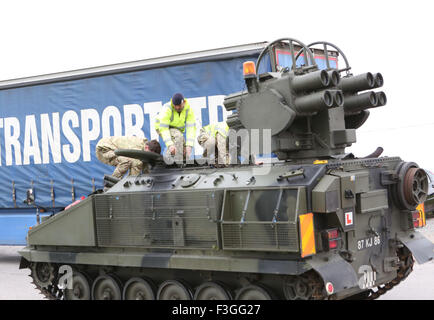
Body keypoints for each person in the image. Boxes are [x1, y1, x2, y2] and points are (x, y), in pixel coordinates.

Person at [155, 93, 196, 161]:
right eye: (175, 106)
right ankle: (167, 162)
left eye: (179, 105)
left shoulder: (188, 110)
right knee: (177, 138)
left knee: (184, 150)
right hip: (161, 127)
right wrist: (170, 144)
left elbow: (191, 128)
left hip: (176, 130)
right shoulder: (167, 108)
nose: (177, 108)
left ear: (184, 102)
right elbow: (164, 129)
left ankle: (184, 165)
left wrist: (189, 145)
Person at [95, 136, 161, 179]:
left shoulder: (144, 147)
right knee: (126, 161)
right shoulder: (138, 149)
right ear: (146, 147)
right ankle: (110, 185)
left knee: (134, 162)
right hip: (104, 149)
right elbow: (134, 172)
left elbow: (146, 168)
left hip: (111, 147)